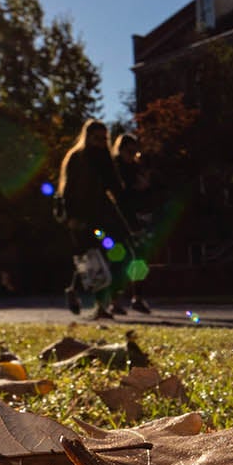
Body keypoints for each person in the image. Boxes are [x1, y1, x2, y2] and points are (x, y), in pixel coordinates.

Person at [55, 120, 131, 320]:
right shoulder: (77, 158)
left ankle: (76, 289)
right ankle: (101, 306)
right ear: (87, 137)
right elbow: (68, 190)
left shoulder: (104, 158)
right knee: (94, 260)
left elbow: (115, 188)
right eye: (97, 138)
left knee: (117, 254)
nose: (100, 142)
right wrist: (72, 218)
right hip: (85, 219)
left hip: (105, 217)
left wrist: (128, 221)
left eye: (104, 138)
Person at [110, 133, 153, 314]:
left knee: (140, 259)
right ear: (121, 149)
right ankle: (115, 301)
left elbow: (145, 192)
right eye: (129, 150)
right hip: (120, 218)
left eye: (135, 150)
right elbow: (117, 194)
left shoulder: (136, 168)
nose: (133, 154)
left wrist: (145, 188)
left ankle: (137, 297)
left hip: (138, 217)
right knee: (119, 259)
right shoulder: (115, 168)